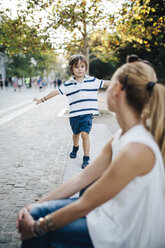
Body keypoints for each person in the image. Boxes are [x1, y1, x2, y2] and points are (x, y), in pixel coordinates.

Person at [16, 60, 165, 248]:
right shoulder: (121, 136)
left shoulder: (136, 149)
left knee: (38, 231)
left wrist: (38, 228)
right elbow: (82, 179)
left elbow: (86, 203)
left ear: (117, 90)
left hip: (123, 233)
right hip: (108, 214)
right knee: (35, 213)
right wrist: (38, 205)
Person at [33, 54, 110, 168]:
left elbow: (106, 83)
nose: (80, 69)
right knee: (76, 134)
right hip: (74, 115)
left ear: (86, 68)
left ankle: (86, 158)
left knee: (85, 134)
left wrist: (122, 82)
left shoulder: (93, 81)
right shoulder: (68, 85)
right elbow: (55, 92)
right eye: (76, 67)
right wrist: (42, 99)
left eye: (82, 66)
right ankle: (75, 148)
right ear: (72, 69)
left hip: (87, 115)